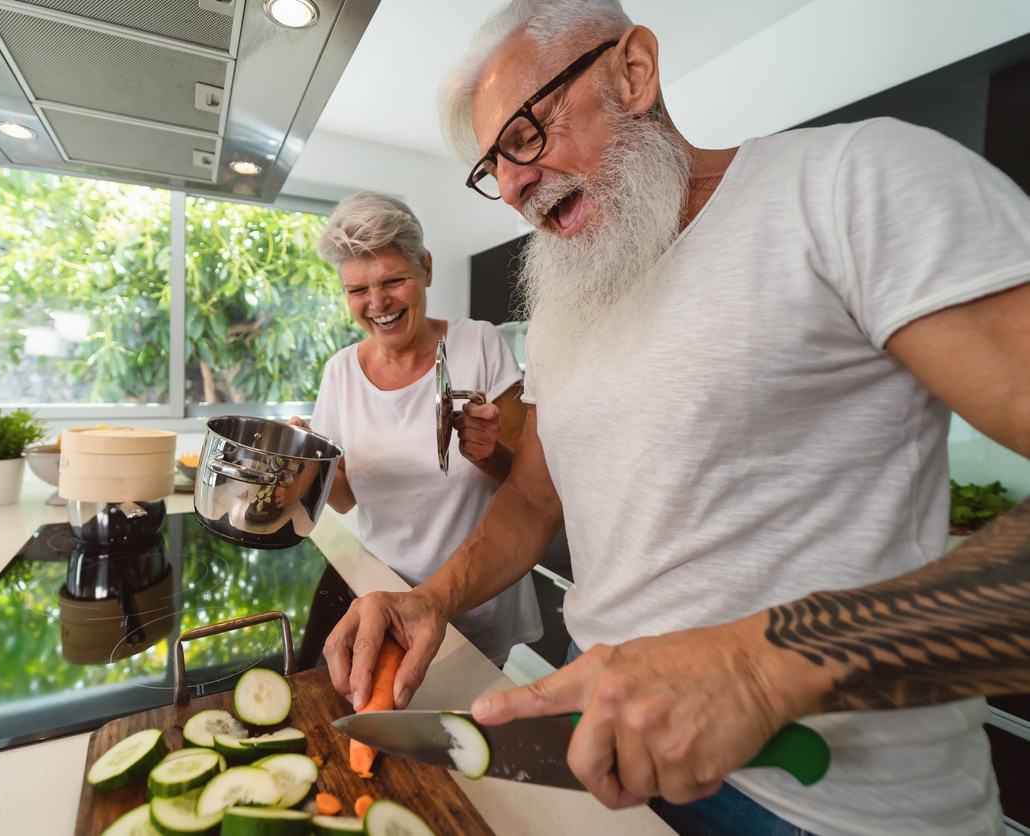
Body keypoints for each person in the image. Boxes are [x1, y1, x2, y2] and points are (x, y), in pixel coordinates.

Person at [321, 1, 1030, 834]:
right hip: (607, 753)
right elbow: (533, 501)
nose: (512, 184)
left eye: (525, 134)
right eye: (492, 166)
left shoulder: (856, 182)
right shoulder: (563, 310)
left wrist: (765, 671)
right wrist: (431, 599)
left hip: (834, 805)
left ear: (634, 71)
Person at [297, 190, 542, 668]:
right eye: (357, 290)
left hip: (475, 597)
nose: (377, 303)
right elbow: (345, 497)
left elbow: (531, 488)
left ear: (426, 269)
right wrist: (306, 468)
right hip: (380, 593)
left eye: (394, 280)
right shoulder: (340, 372)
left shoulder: (479, 344)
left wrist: (485, 451)